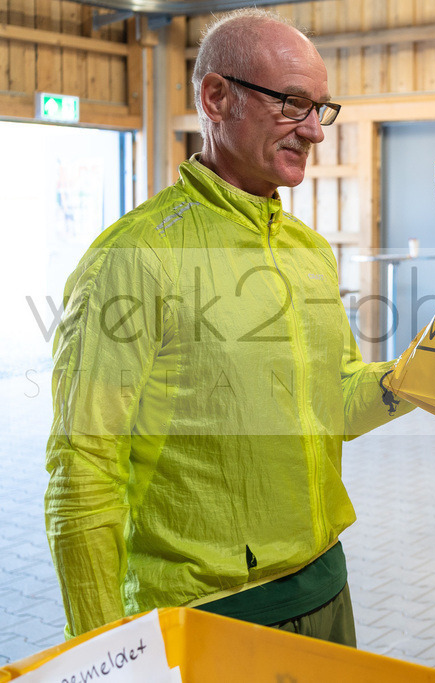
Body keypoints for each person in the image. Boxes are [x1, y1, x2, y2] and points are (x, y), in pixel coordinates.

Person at [44, 8, 412, 645]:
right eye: (292, 104)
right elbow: (82, 473)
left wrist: (428, 368)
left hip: (326, 585)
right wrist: (105, 653)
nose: (314, 131)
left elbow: (335, 404)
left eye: (320, 109)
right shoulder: (136, 259)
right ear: (217, 97)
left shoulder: (308, 251)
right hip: (211, 615)